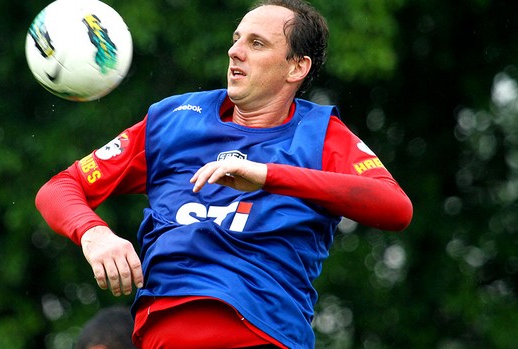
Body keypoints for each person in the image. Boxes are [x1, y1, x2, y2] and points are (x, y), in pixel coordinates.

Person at [36, 0, 413, 347]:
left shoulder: (319, 134)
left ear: (297, 67)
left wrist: (267, 175)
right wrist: (94, 233)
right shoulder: (173, 120)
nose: (235, 51)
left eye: (257, 43)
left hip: (263, 335)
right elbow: (60, 187)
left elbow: (396, 209)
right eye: (236, 40)